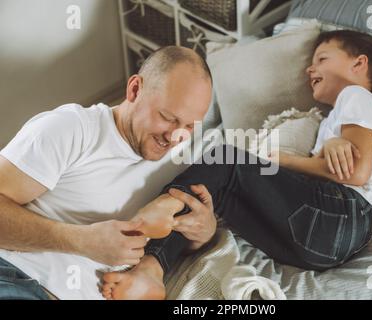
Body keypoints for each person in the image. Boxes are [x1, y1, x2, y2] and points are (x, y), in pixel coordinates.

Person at [101, 30, 372, 300]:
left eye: (322, 59)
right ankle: (152, 269)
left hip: (344, 215)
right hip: (325, 247)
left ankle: (158, 217)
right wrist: (323, 152)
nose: (310, 68)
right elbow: (340, 167)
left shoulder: (355, 95)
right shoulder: (332, 118)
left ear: (359, 64)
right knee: (213, 197)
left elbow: (356, 172)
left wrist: (284, 161)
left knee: (226, 159)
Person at [0, 46, 215, 300]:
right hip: (18, 279)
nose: (173, 136)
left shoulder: (183, 162)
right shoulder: (71, 128)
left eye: (189, 126)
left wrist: (204, 232)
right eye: (167, 117)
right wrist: (81, 240)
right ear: (135, 89)